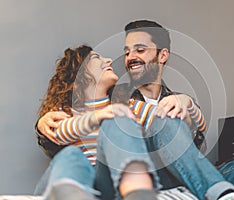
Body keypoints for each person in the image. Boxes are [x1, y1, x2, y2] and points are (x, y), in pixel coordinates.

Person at [35, 20, 234, 199]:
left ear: (162, 55)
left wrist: (188, 103)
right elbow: (62, 132)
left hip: (191, 173)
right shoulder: (120, 98)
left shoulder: (167, 100)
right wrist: (44, 122)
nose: (128, 58)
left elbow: (197, 132)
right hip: (145, 174)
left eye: (139, 49)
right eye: (126, 52)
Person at [35, 45, 203, 200]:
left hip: (116, 178)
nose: (109, 60)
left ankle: (138, 191)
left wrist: (185, 101)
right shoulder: (64, 111)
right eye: (96, 58)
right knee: (70, 157)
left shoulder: (126, 105)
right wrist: (43, 125)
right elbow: (55, 134)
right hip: (85, 179)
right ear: (79, 72)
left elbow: (166, 122)